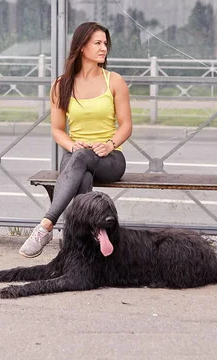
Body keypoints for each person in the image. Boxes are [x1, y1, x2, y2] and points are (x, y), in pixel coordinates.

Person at [19, 21, 133, 258]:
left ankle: (46, 226)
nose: (104, 48)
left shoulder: (114, 81)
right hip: (76, 157)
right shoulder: (62, 85)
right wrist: (72, 144)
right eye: (97, 43)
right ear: (82, 46)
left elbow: (126, 126)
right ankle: (87, 246)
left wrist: (110, 144)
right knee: (82, 172)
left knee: (80, 161)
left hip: (110, 159)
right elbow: (58, 130)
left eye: (105, 43)